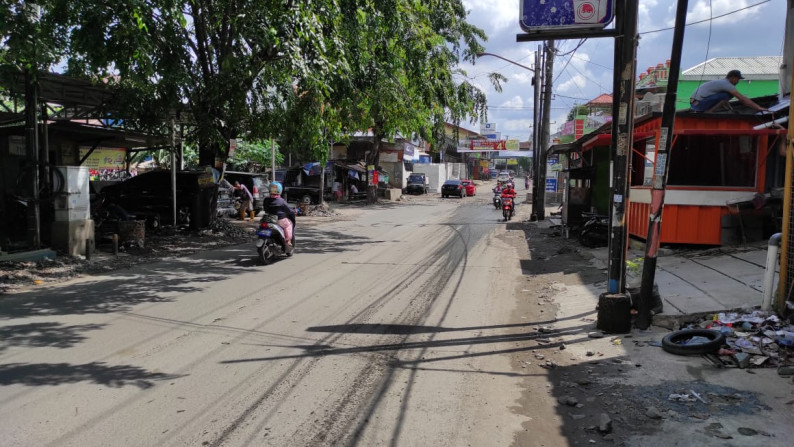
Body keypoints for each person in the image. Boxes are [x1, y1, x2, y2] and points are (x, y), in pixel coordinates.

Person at [689, 70, 769, 113]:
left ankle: (712, 110)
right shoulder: (727, 84)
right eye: (738, 79)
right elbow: (742, 99)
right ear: (733, 78)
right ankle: (709, 112)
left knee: (727, 95)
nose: (738, 82)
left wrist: (730, 109)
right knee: (726, 95)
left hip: (695, 104)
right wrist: (758, 107)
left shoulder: (722, 83)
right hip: (699, 105)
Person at [262, 182, 295, 247]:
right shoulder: (281, 201)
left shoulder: (266, 200)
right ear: (280, 190)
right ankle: (288, 240)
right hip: (279, 220)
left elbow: (265, 208)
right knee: (289, 225)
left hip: (267, 219)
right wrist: (293, 211)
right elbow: (288, 210)